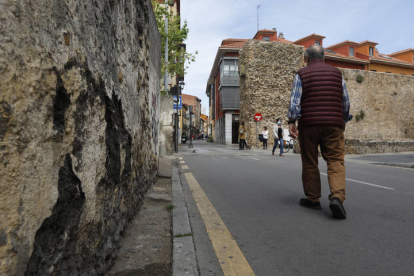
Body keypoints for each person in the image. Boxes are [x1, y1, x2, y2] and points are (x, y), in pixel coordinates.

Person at [287, 45, 353, 219]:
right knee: (336, 161)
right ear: (324, 58)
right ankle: (337, 197)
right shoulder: (337, 74)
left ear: (306, 58)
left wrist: (292, 122)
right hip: (333, 125)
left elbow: (295, 101)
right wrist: (343, 120)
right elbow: (345, 100)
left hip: (308, 125)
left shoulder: (301, 74)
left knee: (310, 161)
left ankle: (313, 199)